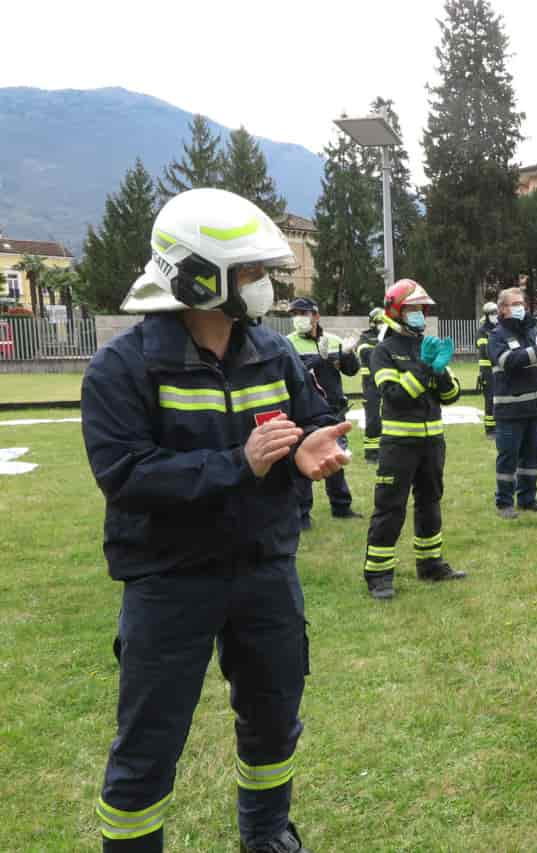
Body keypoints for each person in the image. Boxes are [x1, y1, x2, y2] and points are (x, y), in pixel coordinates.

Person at [82, 188, 352, 853]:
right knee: (149, 740)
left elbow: (308, 422)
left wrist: (311, 449)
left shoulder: (274, 353)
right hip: (168, 579)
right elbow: (127, 475)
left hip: (265, 569)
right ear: (201, 279)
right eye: (252, 274)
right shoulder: (121, 369)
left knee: (272, 718)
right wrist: (241, 463)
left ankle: (266, 837)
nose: (263, 288)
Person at [362, 279, 466, 600]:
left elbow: (451, 396)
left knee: (430, 504)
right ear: (395, 311)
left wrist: (441, 371)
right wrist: (423, 368)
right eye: (412, 309)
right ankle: (379, 574)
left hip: (432, 443)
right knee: (390, 508)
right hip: (398, 445)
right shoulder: (383, 352)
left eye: (422, 309)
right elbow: (395, 395)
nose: (419, 314)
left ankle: (431, 564)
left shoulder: (426, 345)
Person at [487, 286, 537, 518]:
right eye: (515, 304)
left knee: (532, 456)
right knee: (508, 457)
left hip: (532, 407)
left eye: (522, 304)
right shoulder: (497, 336)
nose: (521, 308)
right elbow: (508, 361)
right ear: (503, 309)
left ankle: (528, 499)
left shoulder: (529, 333)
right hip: (509, 409)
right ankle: (504, 503)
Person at [286, 296, 362, 527]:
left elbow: (351, 371)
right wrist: (319, 360)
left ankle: (341, 506)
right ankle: (301, 514)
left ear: (316, 316)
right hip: (302, 410)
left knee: (334, 458)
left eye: (304, 313)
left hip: (331, 409)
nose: (299, 318)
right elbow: (292, 375)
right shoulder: (287, 344)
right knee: (302, 460)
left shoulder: (333, 340)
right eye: (295, 314)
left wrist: (347, 355)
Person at [355, 308, 388, 462]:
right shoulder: (365, 337)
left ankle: (388, 450)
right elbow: (366, 354)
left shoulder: (390, 337)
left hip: (387, 381)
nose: (383, 325)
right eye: (380, 322)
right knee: (373, 418)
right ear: (373, 323)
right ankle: (371, 453)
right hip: (370, 384)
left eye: (385, 322)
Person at [476, 301, 499, 438]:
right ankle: (489, 429)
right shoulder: (482, 331)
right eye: (492, 313)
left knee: (499, 398)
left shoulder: (498, 329)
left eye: (496, 313)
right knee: (490, 400)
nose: (494, 316)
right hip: (487, 371)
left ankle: (499, 426)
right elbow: (485, 351)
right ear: (486, 314)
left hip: (498, 369)